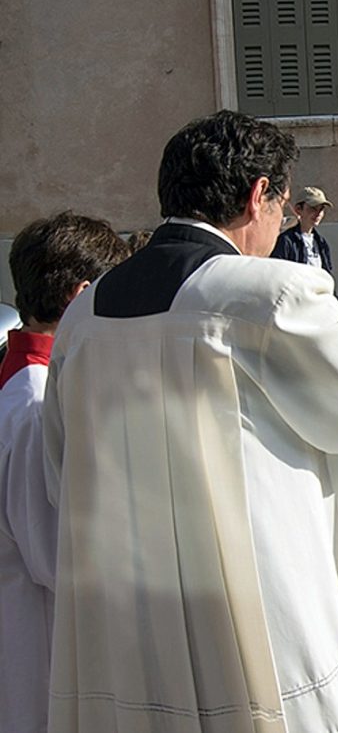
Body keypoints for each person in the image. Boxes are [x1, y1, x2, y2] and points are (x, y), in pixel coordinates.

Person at [41, 110, 338, 732]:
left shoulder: (84, 320)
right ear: (258, 194)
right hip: (256, 633)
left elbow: (62, 476)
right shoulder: (264, 296)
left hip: (130, 637)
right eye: (282, 203)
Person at [0, 213, 129, 733]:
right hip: (38, 656)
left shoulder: (27, 381)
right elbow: (54, 554)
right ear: (82, 296)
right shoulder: (35, 404)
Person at [271, 185, 333, 272]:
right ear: (298, 209)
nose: (318, 213)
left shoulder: (321, 243)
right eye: (313, 208)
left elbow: (327, 273)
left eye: (321, 209)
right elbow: (277, 271)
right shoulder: (286, 241)